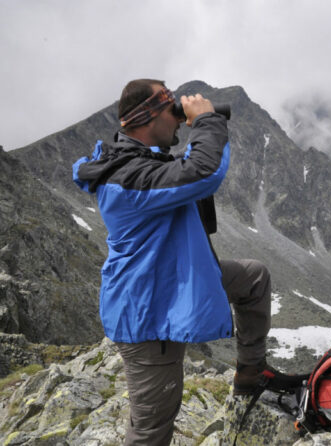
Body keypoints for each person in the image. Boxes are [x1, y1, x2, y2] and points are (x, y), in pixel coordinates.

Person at [73, 79, 297, 445]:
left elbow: (186, 171)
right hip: (148, 311)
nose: (178, 120)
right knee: (151, 428)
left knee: (253, 278)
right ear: (148, 117)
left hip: (174, 278)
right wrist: (206, 120)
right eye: (171, 112)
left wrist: (195, 123)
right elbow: (202, 172)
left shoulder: (135, 162)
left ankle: (251, 372)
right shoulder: (128, 178)